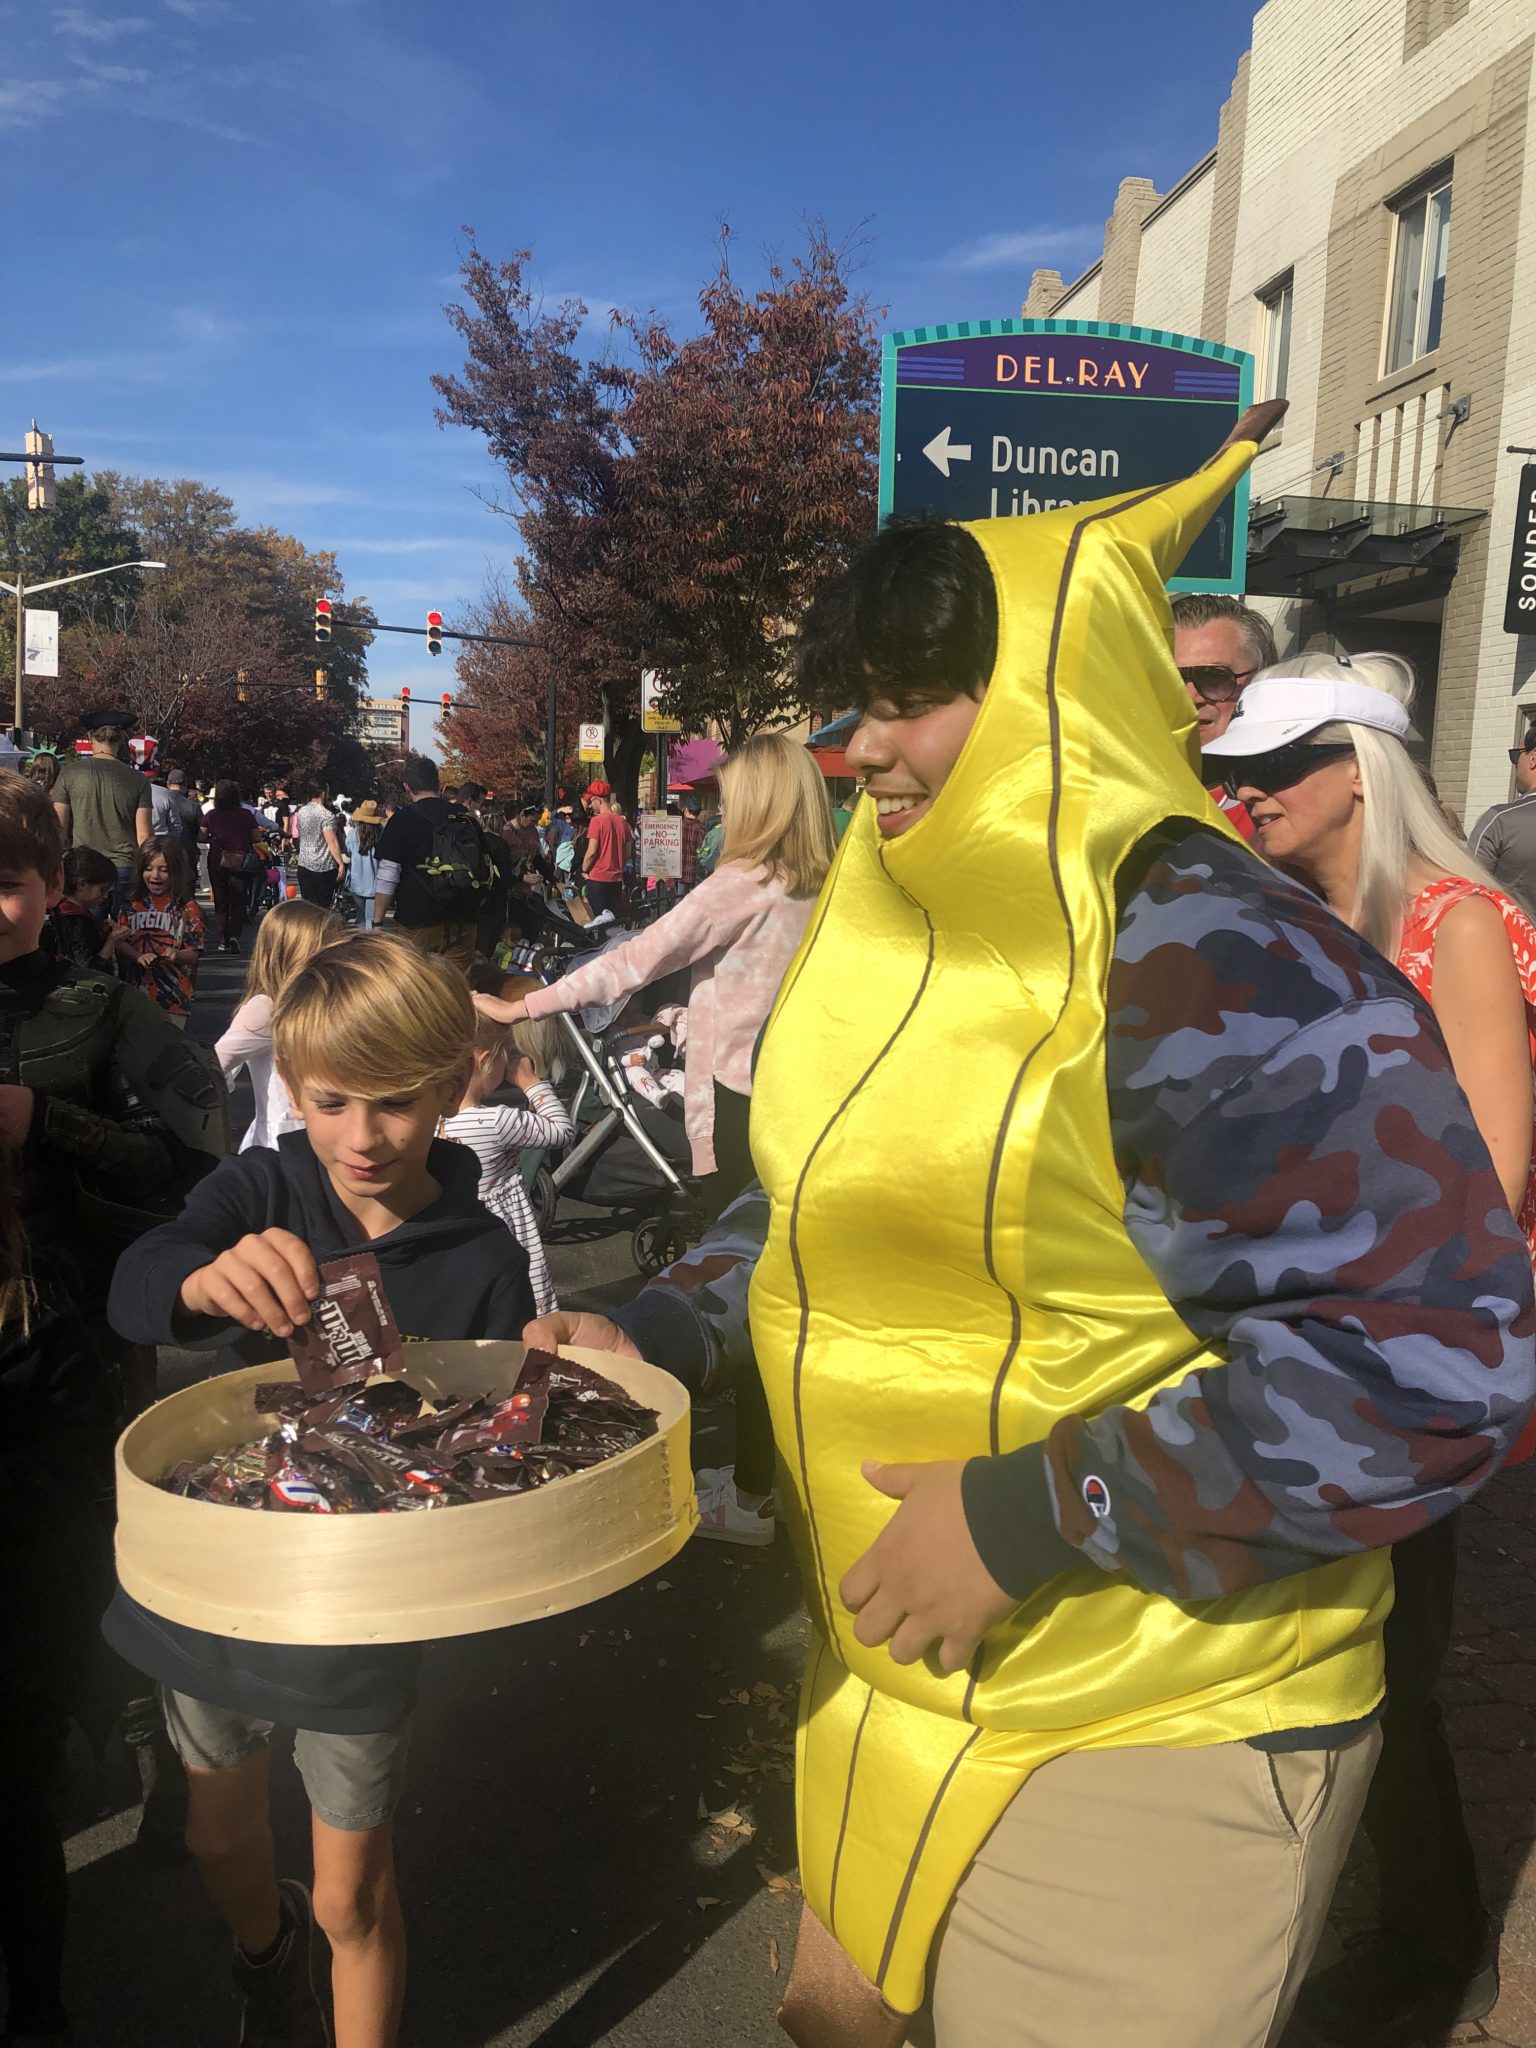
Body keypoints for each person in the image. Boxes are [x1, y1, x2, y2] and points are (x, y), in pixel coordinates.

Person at [525, 426, 1536, 2048]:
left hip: (1157, 1709)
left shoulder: (1215, 950)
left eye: (911, 694)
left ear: (1066, 682)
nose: (860, 747)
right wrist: (651, 1334)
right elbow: (821, 1211)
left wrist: (1034, 1509)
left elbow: (1430, 1358)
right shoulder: (899, 915)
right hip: (901, 1673)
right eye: (852, 700)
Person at [104, 933, 536, 2048]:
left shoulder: (482, 1249)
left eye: (395, 1103)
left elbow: (498, 1437)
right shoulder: (266, 1181)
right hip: (222, 1570)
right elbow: (141, 1275)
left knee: (353, 1890)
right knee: (220, 1844)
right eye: (332, 1100)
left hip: (362, 1598)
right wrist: (200, 1281)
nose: (361, 1136)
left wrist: (532, 1401)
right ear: (294, 1087)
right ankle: (265, 1952)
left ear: (453, 1087)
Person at [1205, 653, 1536, 2045]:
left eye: (1278, 768)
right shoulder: (1285, 916)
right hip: (1287, 1325)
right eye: (1241, 771)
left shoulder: (1455, 921)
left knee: (1390, 1645)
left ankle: (1428, 1926)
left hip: (1406, 1344)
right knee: (1312, 1636)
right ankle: (1378, 1907)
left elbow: (1496, 1177)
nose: (1249, 791)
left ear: (1359, 770)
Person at [0, 771, 228, 2048]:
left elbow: (194, 1159)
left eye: (11, 878)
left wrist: (51, 1123)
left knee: (101, 1569)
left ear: (50, 889)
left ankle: (155, 1768)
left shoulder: (100, 1010)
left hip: (75, 1363)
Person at [484, 732, 835, 1547]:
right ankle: (769, 1479)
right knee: (784, 1283)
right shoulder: (827, 886)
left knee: (749, 1292)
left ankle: (750, 1496)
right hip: (799, 1093)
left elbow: (635, 958)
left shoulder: (742, 882)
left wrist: (524, 1008)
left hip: (738, 1105)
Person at [440, 1000, 573, 1318]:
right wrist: (531, 1083)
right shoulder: (497, 1122)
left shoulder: (431, 1122)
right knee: (528, 1307)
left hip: (464, 1236)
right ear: (486, 1059)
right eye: (506, 1054)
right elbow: (561, 1131)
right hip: (510, 1233)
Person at [216, 899, 344, 1153]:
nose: (335, 958)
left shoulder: (321, 1001)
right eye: (324, 949)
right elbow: (214, 1065)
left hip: (327, 1137)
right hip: (282, 1144)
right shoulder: (266, 1009)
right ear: (293, 953)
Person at [1170, 591, 1278, 843]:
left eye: (1215, 677)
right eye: (1170, 679)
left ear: (1261, 681)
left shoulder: (1290, 806)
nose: (1190, 697)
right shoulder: (1113, 792)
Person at [371, 755, 489, 973]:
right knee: (456, 991)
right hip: (463, 921)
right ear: (438, 784)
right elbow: (483, 866)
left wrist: (378, 922)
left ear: (407, 787)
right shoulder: (466, 818)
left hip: (417, 921)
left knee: (419, 994)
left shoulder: (402, 820)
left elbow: (388, 874)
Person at [51, 716, 153, 906]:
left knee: (84, 929)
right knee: (125, 930)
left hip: (86, 869)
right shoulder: (138, 780)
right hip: (125, 867)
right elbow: (144, 835)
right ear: (122, 739)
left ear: (91, 737)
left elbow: (59, 828)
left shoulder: (69, 774)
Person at [109, 835, 204, 1025]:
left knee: (168, 1051)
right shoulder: (130, 905)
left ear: (175, 871)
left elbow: (193, 954)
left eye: (163, 870)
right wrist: (137, 955)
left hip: (172, 997)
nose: (155, 876)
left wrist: (176, 954)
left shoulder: (187, 908)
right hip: (133, 996)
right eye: (148, 868)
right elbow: (120, 944)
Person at [1469, 721, 1536, 919]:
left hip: (1515, 945)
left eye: (1516, 756)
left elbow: (1468, 890)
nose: (1515, 765)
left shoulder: (1500, 821)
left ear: (1533, 758)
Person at [203, 781, 263, 955]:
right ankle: (235, 934)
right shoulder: (246, 814)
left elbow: (201, 835)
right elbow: (256, 837)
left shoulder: (211, 815)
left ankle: (223, 938)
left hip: (217, 859)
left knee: (220, 901)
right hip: (240, 860)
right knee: (238, 899)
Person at [46, 845, 120, 973]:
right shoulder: (73, 920)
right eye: (102, 890)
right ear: (82, 885)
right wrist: (111, 942)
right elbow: (86, 970)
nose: (105, 896)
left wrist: (101, 931)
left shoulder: (62, 912)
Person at [581, 784, 633, 921]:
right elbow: (628, 852)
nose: (591, 805)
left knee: (598, 923)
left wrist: (584, 868)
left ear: (599, 800)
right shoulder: (623, 823)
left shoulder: (596, 821)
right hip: (616, 880)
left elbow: (592, 852)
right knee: (612, 922)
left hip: (598, 879)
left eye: (592, 801)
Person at [294, 782, 346, 908]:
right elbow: (331, 841)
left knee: (308, 907)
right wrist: (340, 863)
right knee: (322, 907)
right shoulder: (326, 815)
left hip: (304, 863)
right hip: (323, 867)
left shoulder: (301, 811)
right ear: (323, 793)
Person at [345, 800, 384, 931]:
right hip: (375, 882)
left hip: (356, 881)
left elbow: (347, 854)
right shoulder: (380, 835)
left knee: (360, 917)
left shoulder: (352, 834)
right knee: (371, 919)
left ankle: (360, 943)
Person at [163, 765, 204, 855]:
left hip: (164, 854)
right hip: (188, 855)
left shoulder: (159, 803)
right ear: (185, 785)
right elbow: (201, 836)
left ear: (168, 784)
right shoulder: (194, 806)